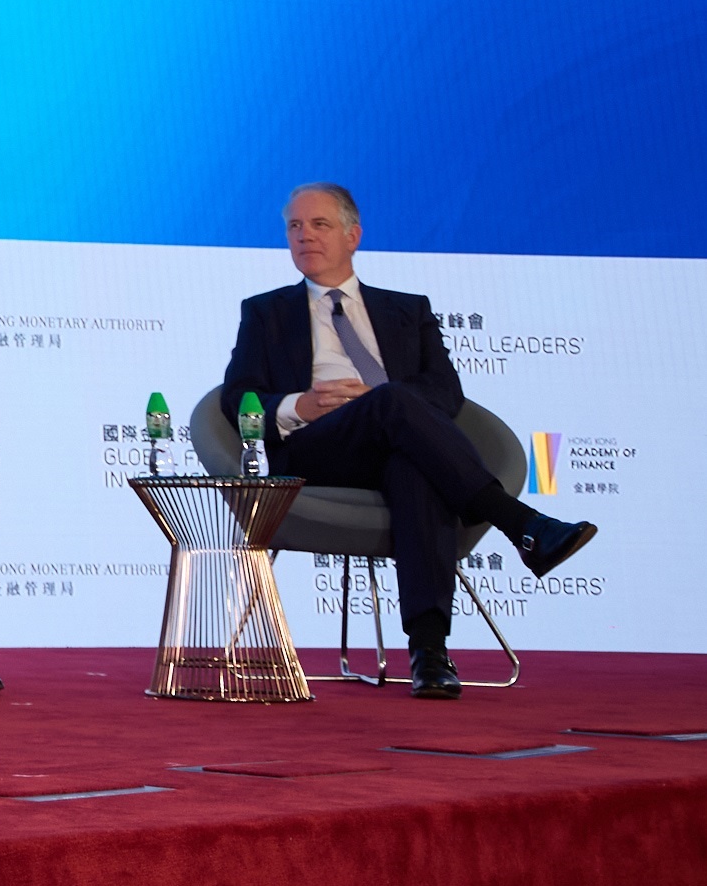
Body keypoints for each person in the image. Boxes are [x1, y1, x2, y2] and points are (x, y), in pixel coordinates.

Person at [221, 182, 595, 698]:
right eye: (294, 226)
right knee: (392, 401)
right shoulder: (265, 312)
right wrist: (299, 405)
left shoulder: (406, 309)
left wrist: (384, 407)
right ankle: (521, 523)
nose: (304, 235)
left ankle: (429, 651)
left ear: (353, 236)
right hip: (317, 449)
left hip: (398, 442)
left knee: (412, 463)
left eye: (319, 224)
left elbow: (445, 394)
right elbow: (236, 396)